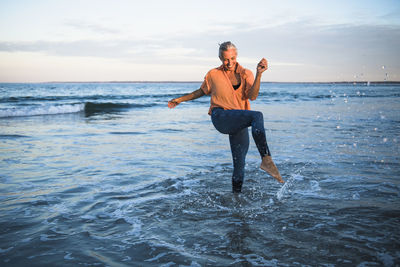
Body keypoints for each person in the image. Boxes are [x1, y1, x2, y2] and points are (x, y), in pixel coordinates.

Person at [168, 41, 284, 193]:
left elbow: (253, 96)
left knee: (239, 164)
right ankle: (266, 160)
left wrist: (259, 74)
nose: (229, 62)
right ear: (220, 58)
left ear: (236, 56)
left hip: (238, 119)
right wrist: (180, 100)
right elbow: (200, 92)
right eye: (225, 59)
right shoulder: (213, 74)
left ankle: (236, 198)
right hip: (220, 116)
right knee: (257, 116)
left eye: (232, 58)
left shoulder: (246, 73)